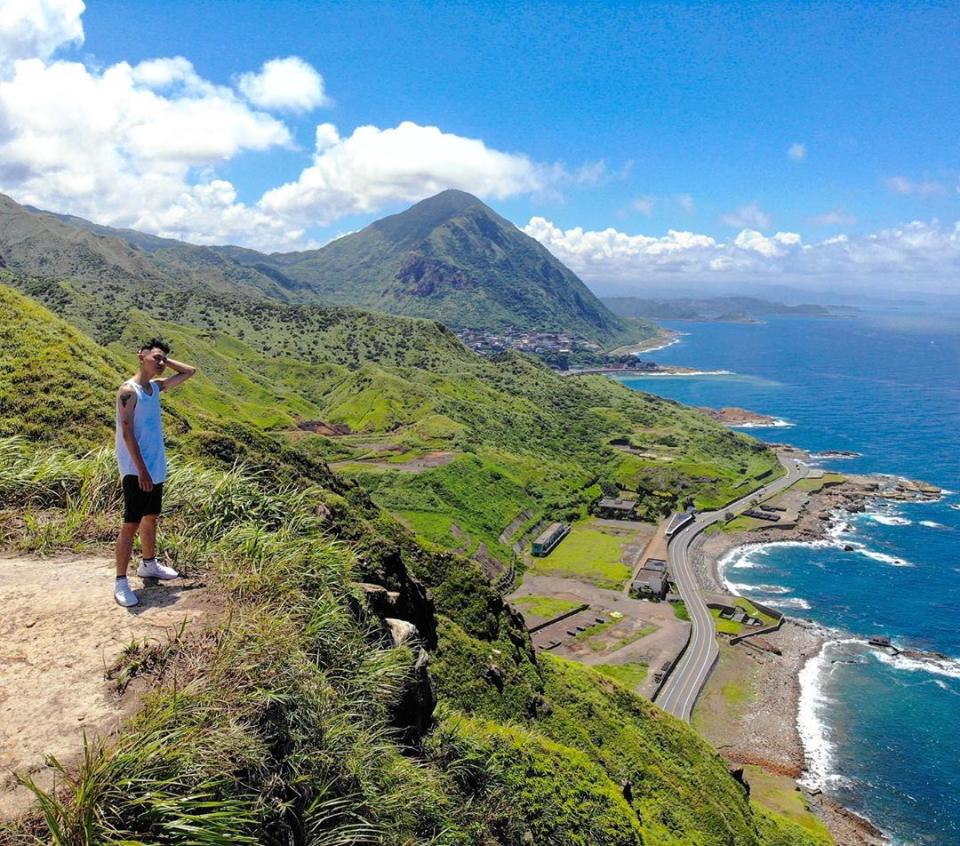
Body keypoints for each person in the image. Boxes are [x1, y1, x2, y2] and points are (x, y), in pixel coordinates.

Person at [113, 338, 196, 607]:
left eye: (163, 359)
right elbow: (126, 434)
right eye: (156, 358)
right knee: (131, 524)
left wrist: (162, 360)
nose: (160, 363)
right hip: (136, 470)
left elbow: (189, 372)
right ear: (140, 356)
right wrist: (142, 472)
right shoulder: (129, 391)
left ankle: (149, 564)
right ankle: (121, 582)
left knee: (151, 518)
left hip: (154, 466)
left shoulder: (155, 388)